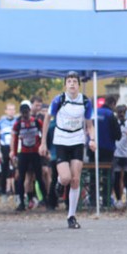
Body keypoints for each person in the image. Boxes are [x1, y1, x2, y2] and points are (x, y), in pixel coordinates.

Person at [40, 71, 96, 229]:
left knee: (75, 179)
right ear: (65, 84)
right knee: (66, 178)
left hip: (77, 140)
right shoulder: (59, 100)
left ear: (78, 85)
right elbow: (47, 119)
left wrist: (92, 139)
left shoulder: (85, 101)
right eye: (69, 81)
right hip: (61, 140)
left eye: (74, 81)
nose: (72, 84)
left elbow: (89, 125)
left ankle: (71, 216)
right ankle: (59, 182)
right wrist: (43, 142)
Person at [10, 100, 47, 212]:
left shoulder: (36, 122)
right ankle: (22, 203)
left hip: (35, 153)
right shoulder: (18, 124)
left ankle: (45, 200)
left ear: (29, 111)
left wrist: (43, 147)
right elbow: (14, 139)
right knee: (21, 178)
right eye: (23, 113)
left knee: (39, 177)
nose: (25, 115)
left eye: (26, 112)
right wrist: (14, 153)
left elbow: (43, 134)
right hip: (24, 153)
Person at [112, 104, 127, 208]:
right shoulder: (114, 123)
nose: (121, 114)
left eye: (123, 112)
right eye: (119, 112)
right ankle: (118, 199)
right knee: (117, 177)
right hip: (117, 153)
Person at [0, 103, 17, 197]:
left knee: (16, 169)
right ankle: (3, 191)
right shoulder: (0, 122)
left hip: (15, 148)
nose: (11, 111)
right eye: (9, 109)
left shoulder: (17, 121)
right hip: (5, 147)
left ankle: (17, 191)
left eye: (13, 109)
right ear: (6, 111)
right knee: (4, 169)